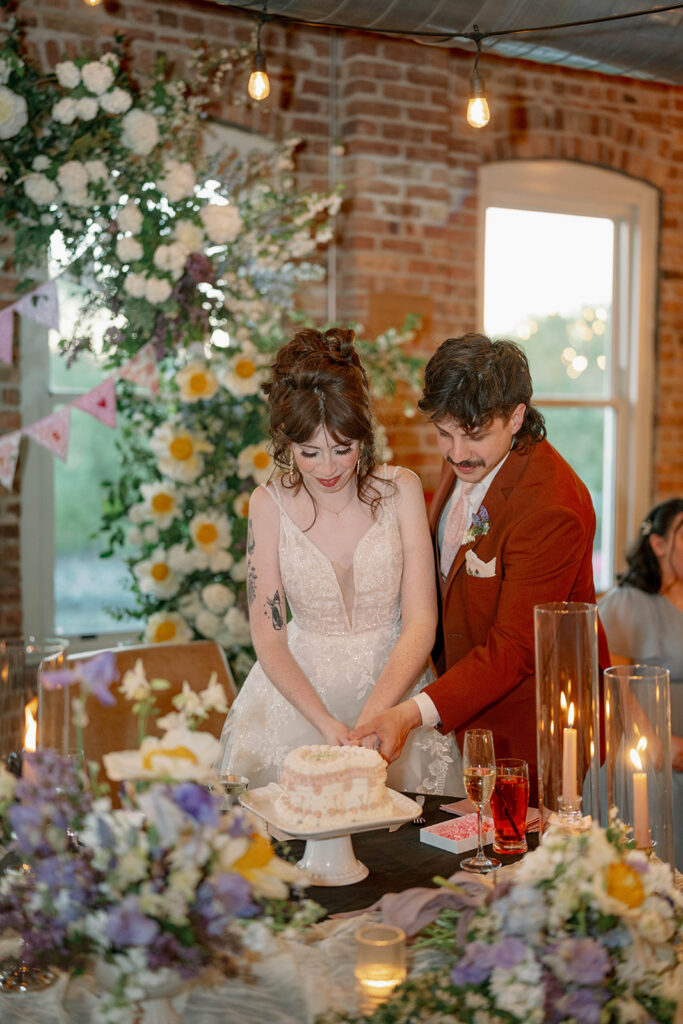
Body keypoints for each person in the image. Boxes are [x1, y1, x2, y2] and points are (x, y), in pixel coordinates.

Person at [351, 333, 610, 795]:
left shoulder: (552, 507)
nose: (455, 453)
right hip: (464, 714)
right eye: (444, 433)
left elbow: (513, 648)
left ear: (516, 416)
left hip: (534, 726)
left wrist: (412, 712)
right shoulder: (469, 454)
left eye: (472, 436)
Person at [218, 327, 463, 795]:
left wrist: (376, 715)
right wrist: (326, 723)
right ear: (286, 442)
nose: (327, 468)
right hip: (301, 703)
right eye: (309, 452)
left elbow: (420, 621)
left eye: (342, 449)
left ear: (363, 437)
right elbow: (268, 637)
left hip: (396, 693)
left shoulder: (400, 491)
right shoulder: (267, 505)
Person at [598, 498, 683, 869]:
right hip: (650, 752)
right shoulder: (625, 604)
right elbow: (618, 691)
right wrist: (662, 746)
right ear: (659, 544)